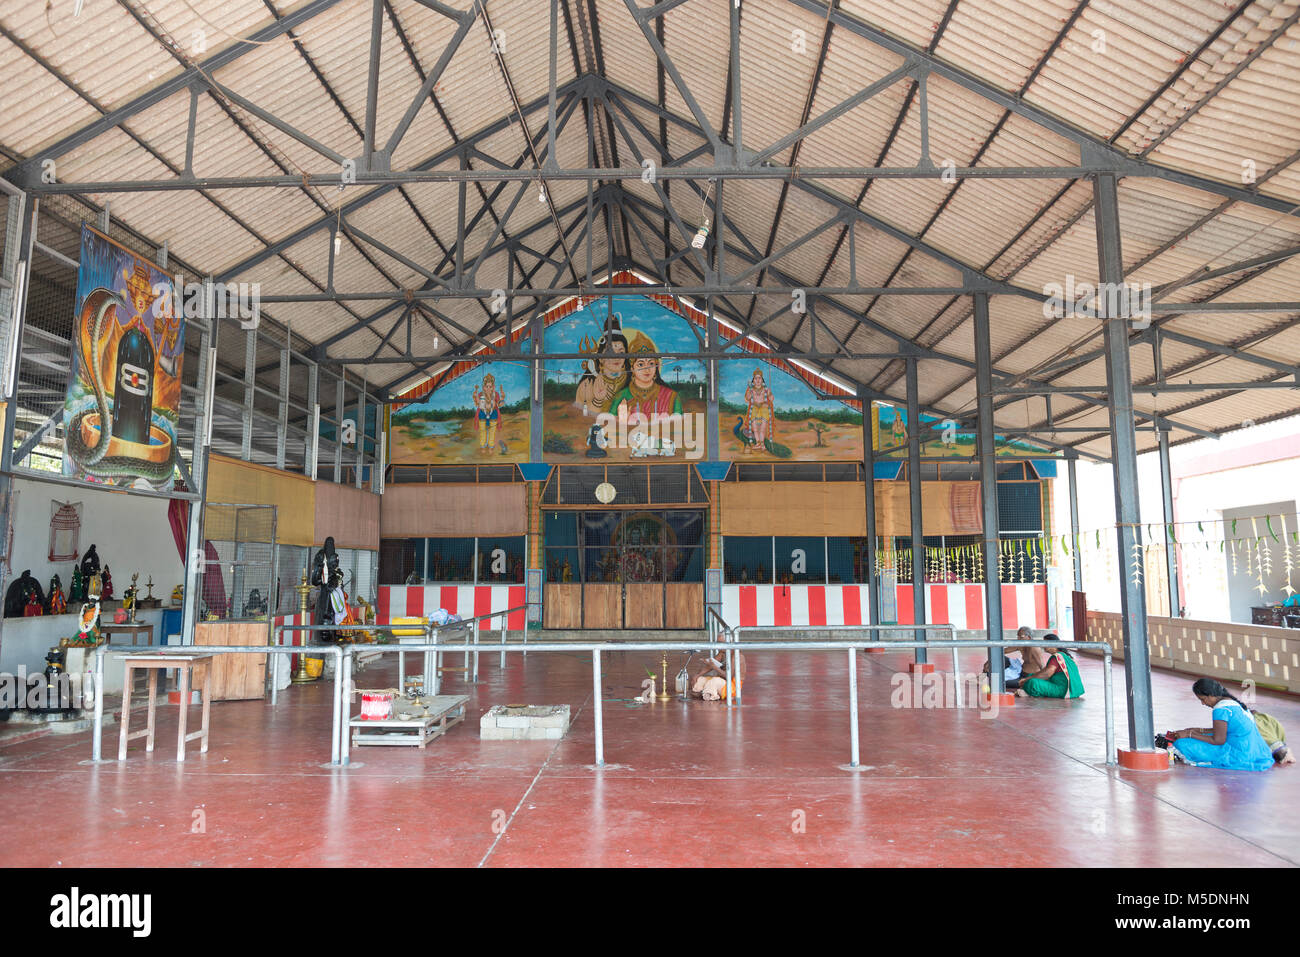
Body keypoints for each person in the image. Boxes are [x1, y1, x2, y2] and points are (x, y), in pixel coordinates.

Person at [1159, 678, 1274, 771]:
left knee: (1181, 743)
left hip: (1238, 753)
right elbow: (1225, 730)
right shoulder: (1230, 702)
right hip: (1252, 750)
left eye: (1203, 699)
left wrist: (1190, 734)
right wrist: (1197, 730)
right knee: (1188, 739)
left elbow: (1218, 740)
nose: (1203, 703)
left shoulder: (1220, 709)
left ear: (1211, 695)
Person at [609, 330, 682, 420]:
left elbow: (680, 430)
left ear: (657, 366)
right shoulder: (621, 398)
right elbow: (609, 430)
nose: (647, 369)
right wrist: (622, 422)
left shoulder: (671, 397)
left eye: (651, 363)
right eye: (641, 364)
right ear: (632, 368)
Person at [575, 314, 628, 415]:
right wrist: (598, 401)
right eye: (609, 352)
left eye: (621, 352)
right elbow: (579, 418)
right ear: (600, 358)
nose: (615, 357)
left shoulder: (633, 381)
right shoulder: (587, 385)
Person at [1014, 633, 1084, 698]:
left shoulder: (1057, 656)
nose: (1043, 645)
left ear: (1052, 644)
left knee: (1033, 683)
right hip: (1071, 689)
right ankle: (1028, 689)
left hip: (1062, 689)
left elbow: (1047, 674)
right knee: (1030, 676)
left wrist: (1026, 680)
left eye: (1045, 642)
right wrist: (1029, 677)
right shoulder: (1064, 655)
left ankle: (1029, 691)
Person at [740, 368, 775, 453]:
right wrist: (748, 390)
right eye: (756, 378)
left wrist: (770, 396)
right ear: (753, 380)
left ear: (762, 379)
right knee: (755, 428)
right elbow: (746, 399)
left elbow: (772, 399)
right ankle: (758, 443)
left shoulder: (766, 389)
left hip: (764, 409)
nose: (758, 380)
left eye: (759, 378)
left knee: (762, 428)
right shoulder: (751, 389)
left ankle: (762, 444)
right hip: (754, 409)